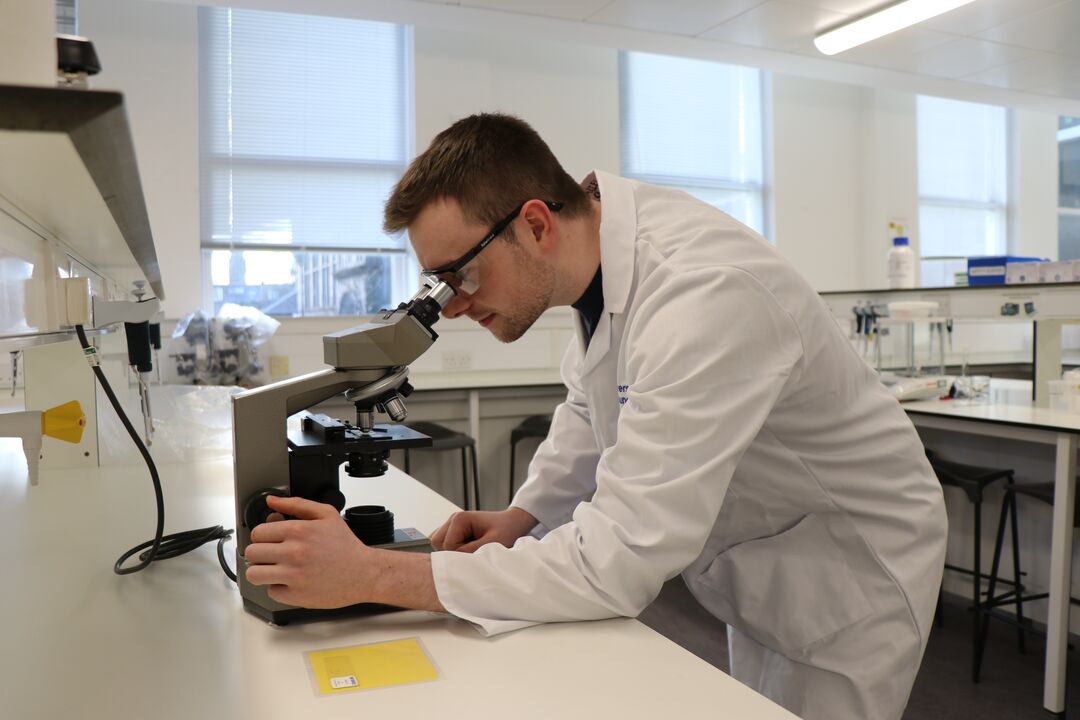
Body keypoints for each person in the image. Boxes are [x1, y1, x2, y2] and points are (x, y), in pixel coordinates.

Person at [244, 113, 948, 720]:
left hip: (848, 572)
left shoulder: (704, 296)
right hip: (763, 558)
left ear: (535, 223)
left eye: (459, 276)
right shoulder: (599, 268)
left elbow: (616, 566)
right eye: (439, 285)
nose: (452, 306)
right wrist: (521, 517)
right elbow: (592, 406)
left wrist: (370, 574)